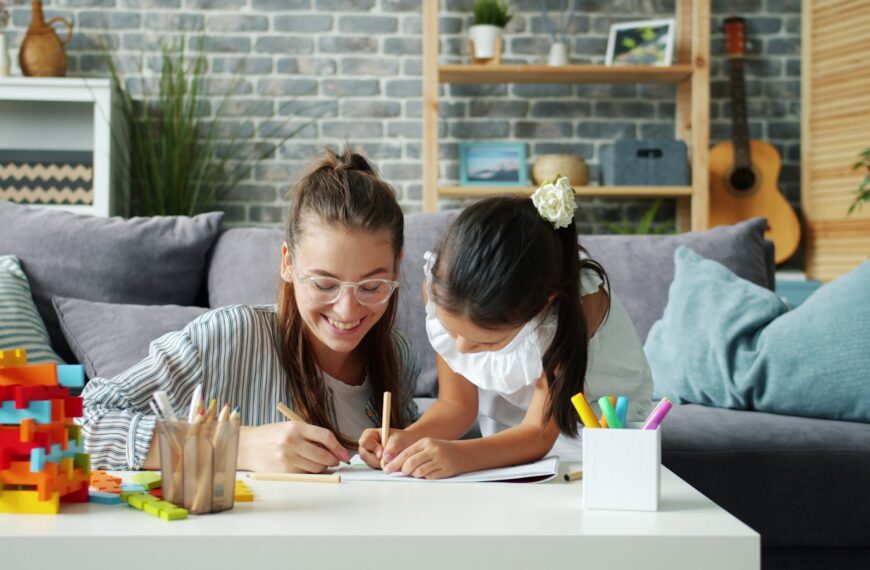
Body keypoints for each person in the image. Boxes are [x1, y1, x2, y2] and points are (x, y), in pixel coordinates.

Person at [79, 147, 419, 473]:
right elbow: (83, 423)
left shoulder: (398, 354)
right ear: (287, 262)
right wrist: (236, 446)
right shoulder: (229, 336)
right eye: (324, 284)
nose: (347, 310)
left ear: (396, 267)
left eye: (371, 287)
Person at [358, 178, 653, 479]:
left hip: (599, 434)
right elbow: (456, 406)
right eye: (451, 331)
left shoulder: (574, 307)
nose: (460, 348)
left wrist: (460, 455)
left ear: (540, 308)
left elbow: (539, 433)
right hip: (512, 439)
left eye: (486, 342)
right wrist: (408, 439)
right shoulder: (441, 291)